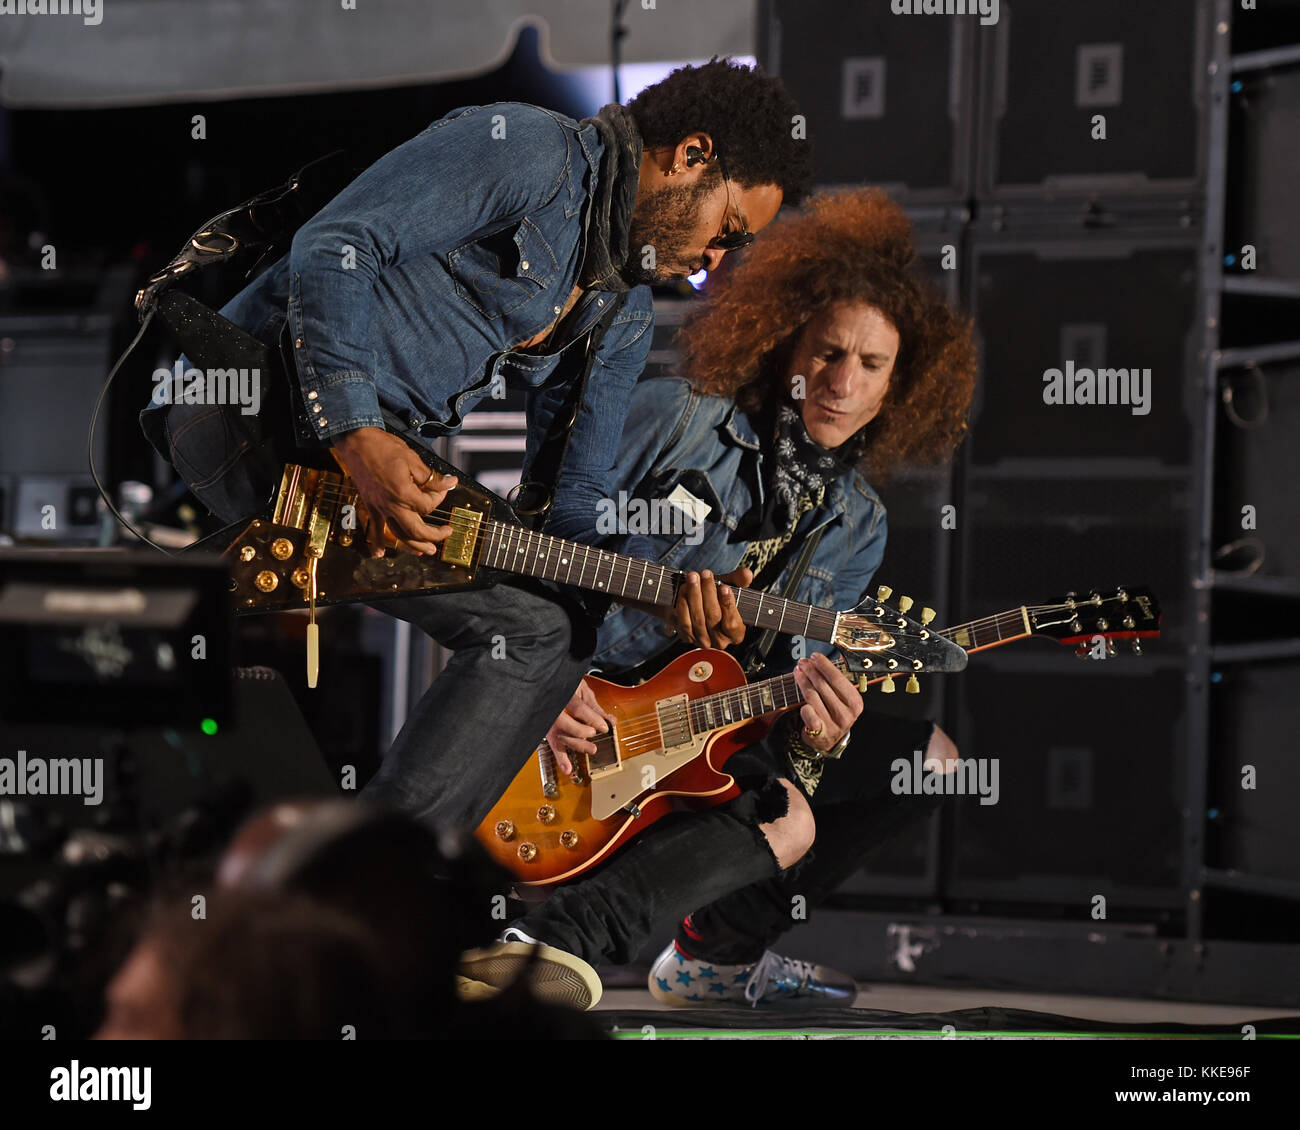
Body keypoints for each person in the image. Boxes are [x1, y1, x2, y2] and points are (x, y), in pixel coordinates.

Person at [140, 60, 811, 831]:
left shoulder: (620, 314)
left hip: (342, 454)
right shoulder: (531, 148)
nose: (715, 263)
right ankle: (376, 888)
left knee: (560, 635)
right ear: (690, 155)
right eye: (726, 231)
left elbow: (569, 514)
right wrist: (358, 433)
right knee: (532, 634)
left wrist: (660, 595)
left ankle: (384, 881)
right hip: (242, 403)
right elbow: (336, 245)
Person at [462, 188, 978, 1009]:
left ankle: (714, 961)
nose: (841, 382)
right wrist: (543, 682)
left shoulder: (859, 525)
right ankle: (540, 950)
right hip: (582, 719)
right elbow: (533, 542)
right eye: (828, 352)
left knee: (932, 764)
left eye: (871, 365)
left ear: (898, 386)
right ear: (784, 346)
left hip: (708, 737)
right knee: (786, 816)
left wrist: (821, 725)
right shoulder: (678, 420)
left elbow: (794, 693)